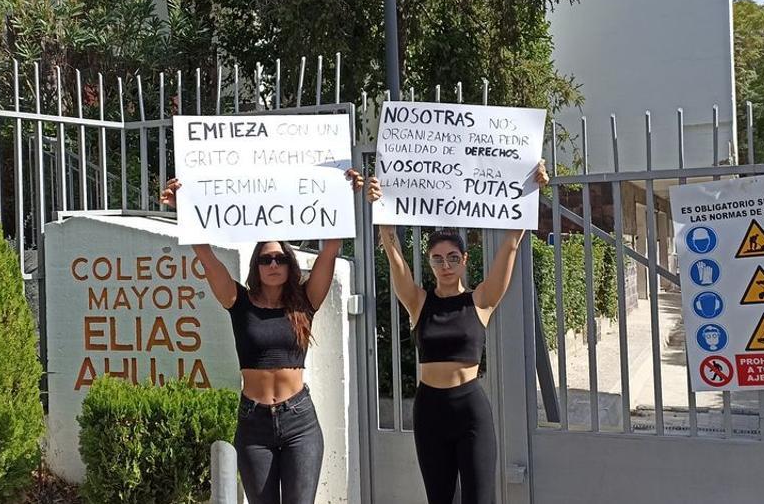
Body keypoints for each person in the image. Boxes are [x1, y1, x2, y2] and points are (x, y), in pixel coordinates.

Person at [159, 168, 362, 504]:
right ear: (257, 264)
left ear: (289, 263)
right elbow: (205, 257)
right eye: (266, 259)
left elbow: (331, 249)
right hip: (253, 424)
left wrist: (344, 197)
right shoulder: (238, 302)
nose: (273, 264)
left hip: (300, 422)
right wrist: (185, 209)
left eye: (281, 258)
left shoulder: (305, 301)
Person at [365, 161, 548, 504]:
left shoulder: (480, 300)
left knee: (479, 498)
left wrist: (531, 192)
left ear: (464, 259)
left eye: (452, 257)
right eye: (437, 259)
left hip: (470, 410)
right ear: (430, 262)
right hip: (429, 410)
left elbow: (511, 244)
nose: (445, 266)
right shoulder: (419, 301)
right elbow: (394, 255)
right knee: (440, 499)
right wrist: (380, 208)